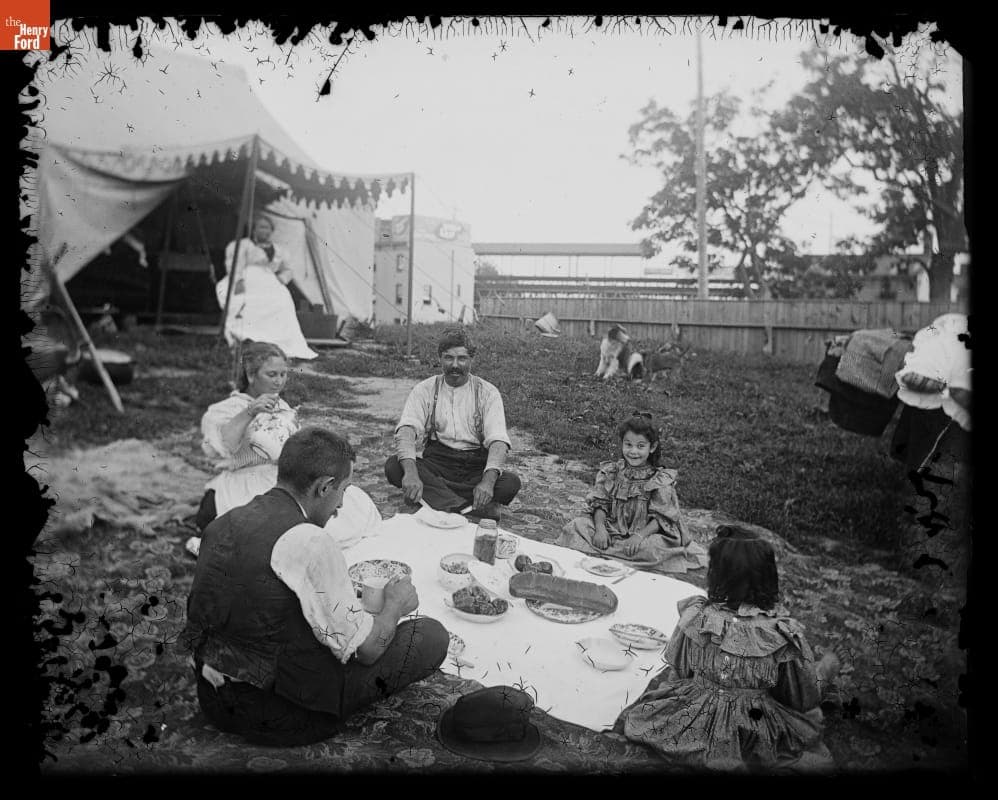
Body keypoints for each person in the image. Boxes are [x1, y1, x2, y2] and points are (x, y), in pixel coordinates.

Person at [182, 427, 450, 747]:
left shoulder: (222, 522)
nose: (340, 506)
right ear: (324, 487)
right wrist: (394, 604)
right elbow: (368, 650)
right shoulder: (311, 541)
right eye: (343, 491)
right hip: (288, 717)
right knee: (429, 636)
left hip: (214, 701)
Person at [615, 525, 841, 772]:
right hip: (752, 725)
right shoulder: (780, 634)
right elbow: (800, 697)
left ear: (716, 576)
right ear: (769, 577)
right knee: (807, 716)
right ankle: (828, 667)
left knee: (649, 716)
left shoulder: (697, 617)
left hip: (692, 717)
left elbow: (679, 671)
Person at [189, 341, 382, 556]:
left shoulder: (282, 407)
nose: (279, 381)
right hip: (244, 480)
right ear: (251, 376)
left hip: (283, 476)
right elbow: (225, 446)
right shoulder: (225, 410)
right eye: (271, 375)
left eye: (283, 374)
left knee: (348, 507)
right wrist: (250, 412)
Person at [384, 326, 521, 520]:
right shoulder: (425, 389)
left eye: (462, 358)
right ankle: (464, 508)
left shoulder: (488, 392)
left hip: (474, 466)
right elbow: (406, 430)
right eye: (449, 358)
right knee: (394, 467)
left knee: (509, 484)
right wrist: (412, 474)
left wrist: (488, 483)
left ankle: (435, 499)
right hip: (438, 462)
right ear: (440, 358)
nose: (455, 365)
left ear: (471, 360)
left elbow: (498, 442)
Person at [556, 412, 707, 573]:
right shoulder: (612, 472)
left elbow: (661, 518)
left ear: (652, 447)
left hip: (644, 534)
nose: (633, 451)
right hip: (611, 529)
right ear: (622, 444)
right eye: (628, 445)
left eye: (640, 446)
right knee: (576, 526)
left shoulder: (659, 480)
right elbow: (600, 504)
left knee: (654, 548)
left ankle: (614, 552)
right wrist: (600, 529)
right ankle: (615, 550)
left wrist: (639, 537)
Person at [215, 213, 317, 360]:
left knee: (283, 300)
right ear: (254, 229)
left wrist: (280, 279)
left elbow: (288, 269)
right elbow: (234, 265)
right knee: (245, 302)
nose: (266, 231)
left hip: (270, 282)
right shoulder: (244, 245)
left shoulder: (278, 249)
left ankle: (275, 341)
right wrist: (238, 281)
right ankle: (246, 339)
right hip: (247, 279)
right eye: (262, 227)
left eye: (268, 228)